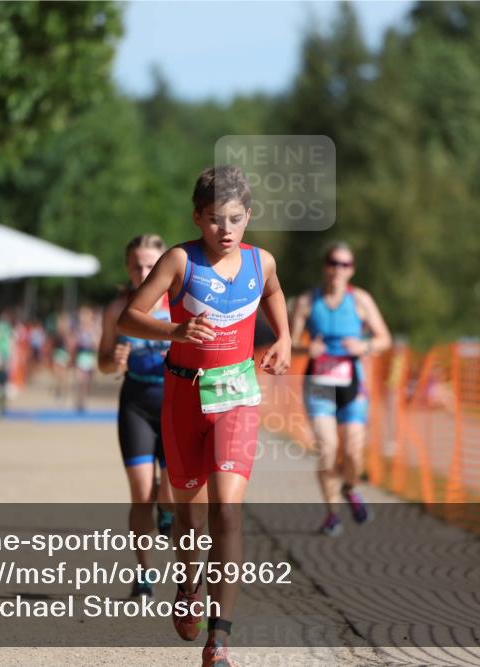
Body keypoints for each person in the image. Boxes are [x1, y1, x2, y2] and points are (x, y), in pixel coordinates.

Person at [118, 165, 291, 667]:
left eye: (235, 219)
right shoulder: (179, 261)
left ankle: (221, 637)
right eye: (215, 219)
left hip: (236, 393)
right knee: (190, 516)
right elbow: (132, 314)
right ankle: (188, 583)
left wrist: (282, 337)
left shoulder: (262, 262)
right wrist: (172, 332)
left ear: (248, 217)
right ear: (198, 217)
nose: (226, 230)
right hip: (182, 396)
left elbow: (274, 292)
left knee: (228, 511)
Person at [289, 241, 391, 537]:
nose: (338, 269)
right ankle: (332, 513)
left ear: (352, 270)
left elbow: (383, 339)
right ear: (325, 266)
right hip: (318, 383)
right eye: (333, 262)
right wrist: (307, 348)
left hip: (352, 383)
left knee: (353, 452)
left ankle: (350, 487)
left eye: (344, 264)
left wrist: (365, 345)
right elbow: (291, 343)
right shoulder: (308, 301)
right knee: (328, 449)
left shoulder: (360, 300)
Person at [99, 234, 176, 598]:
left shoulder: (179, 305)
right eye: (138, 266)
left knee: (171, 493)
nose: (144, 272)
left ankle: (168, 511)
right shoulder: (118, 310)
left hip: (176, 405)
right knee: (141, 493)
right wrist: (112, 358)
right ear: (128, 269)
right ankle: (144, 575)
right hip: (136, 404)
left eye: (151, 266)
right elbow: (101, 362)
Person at [72, 305, 99, 412]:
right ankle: (80, 400)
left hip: (90, 356)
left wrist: (97, 361)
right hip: (81, 356)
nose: (83, 317)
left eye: (85, 315)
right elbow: (73, 344)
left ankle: (84, 399)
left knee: (87, 381)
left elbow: (97, 345)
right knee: (80, 379)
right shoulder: (78, 328)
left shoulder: (94, 328)